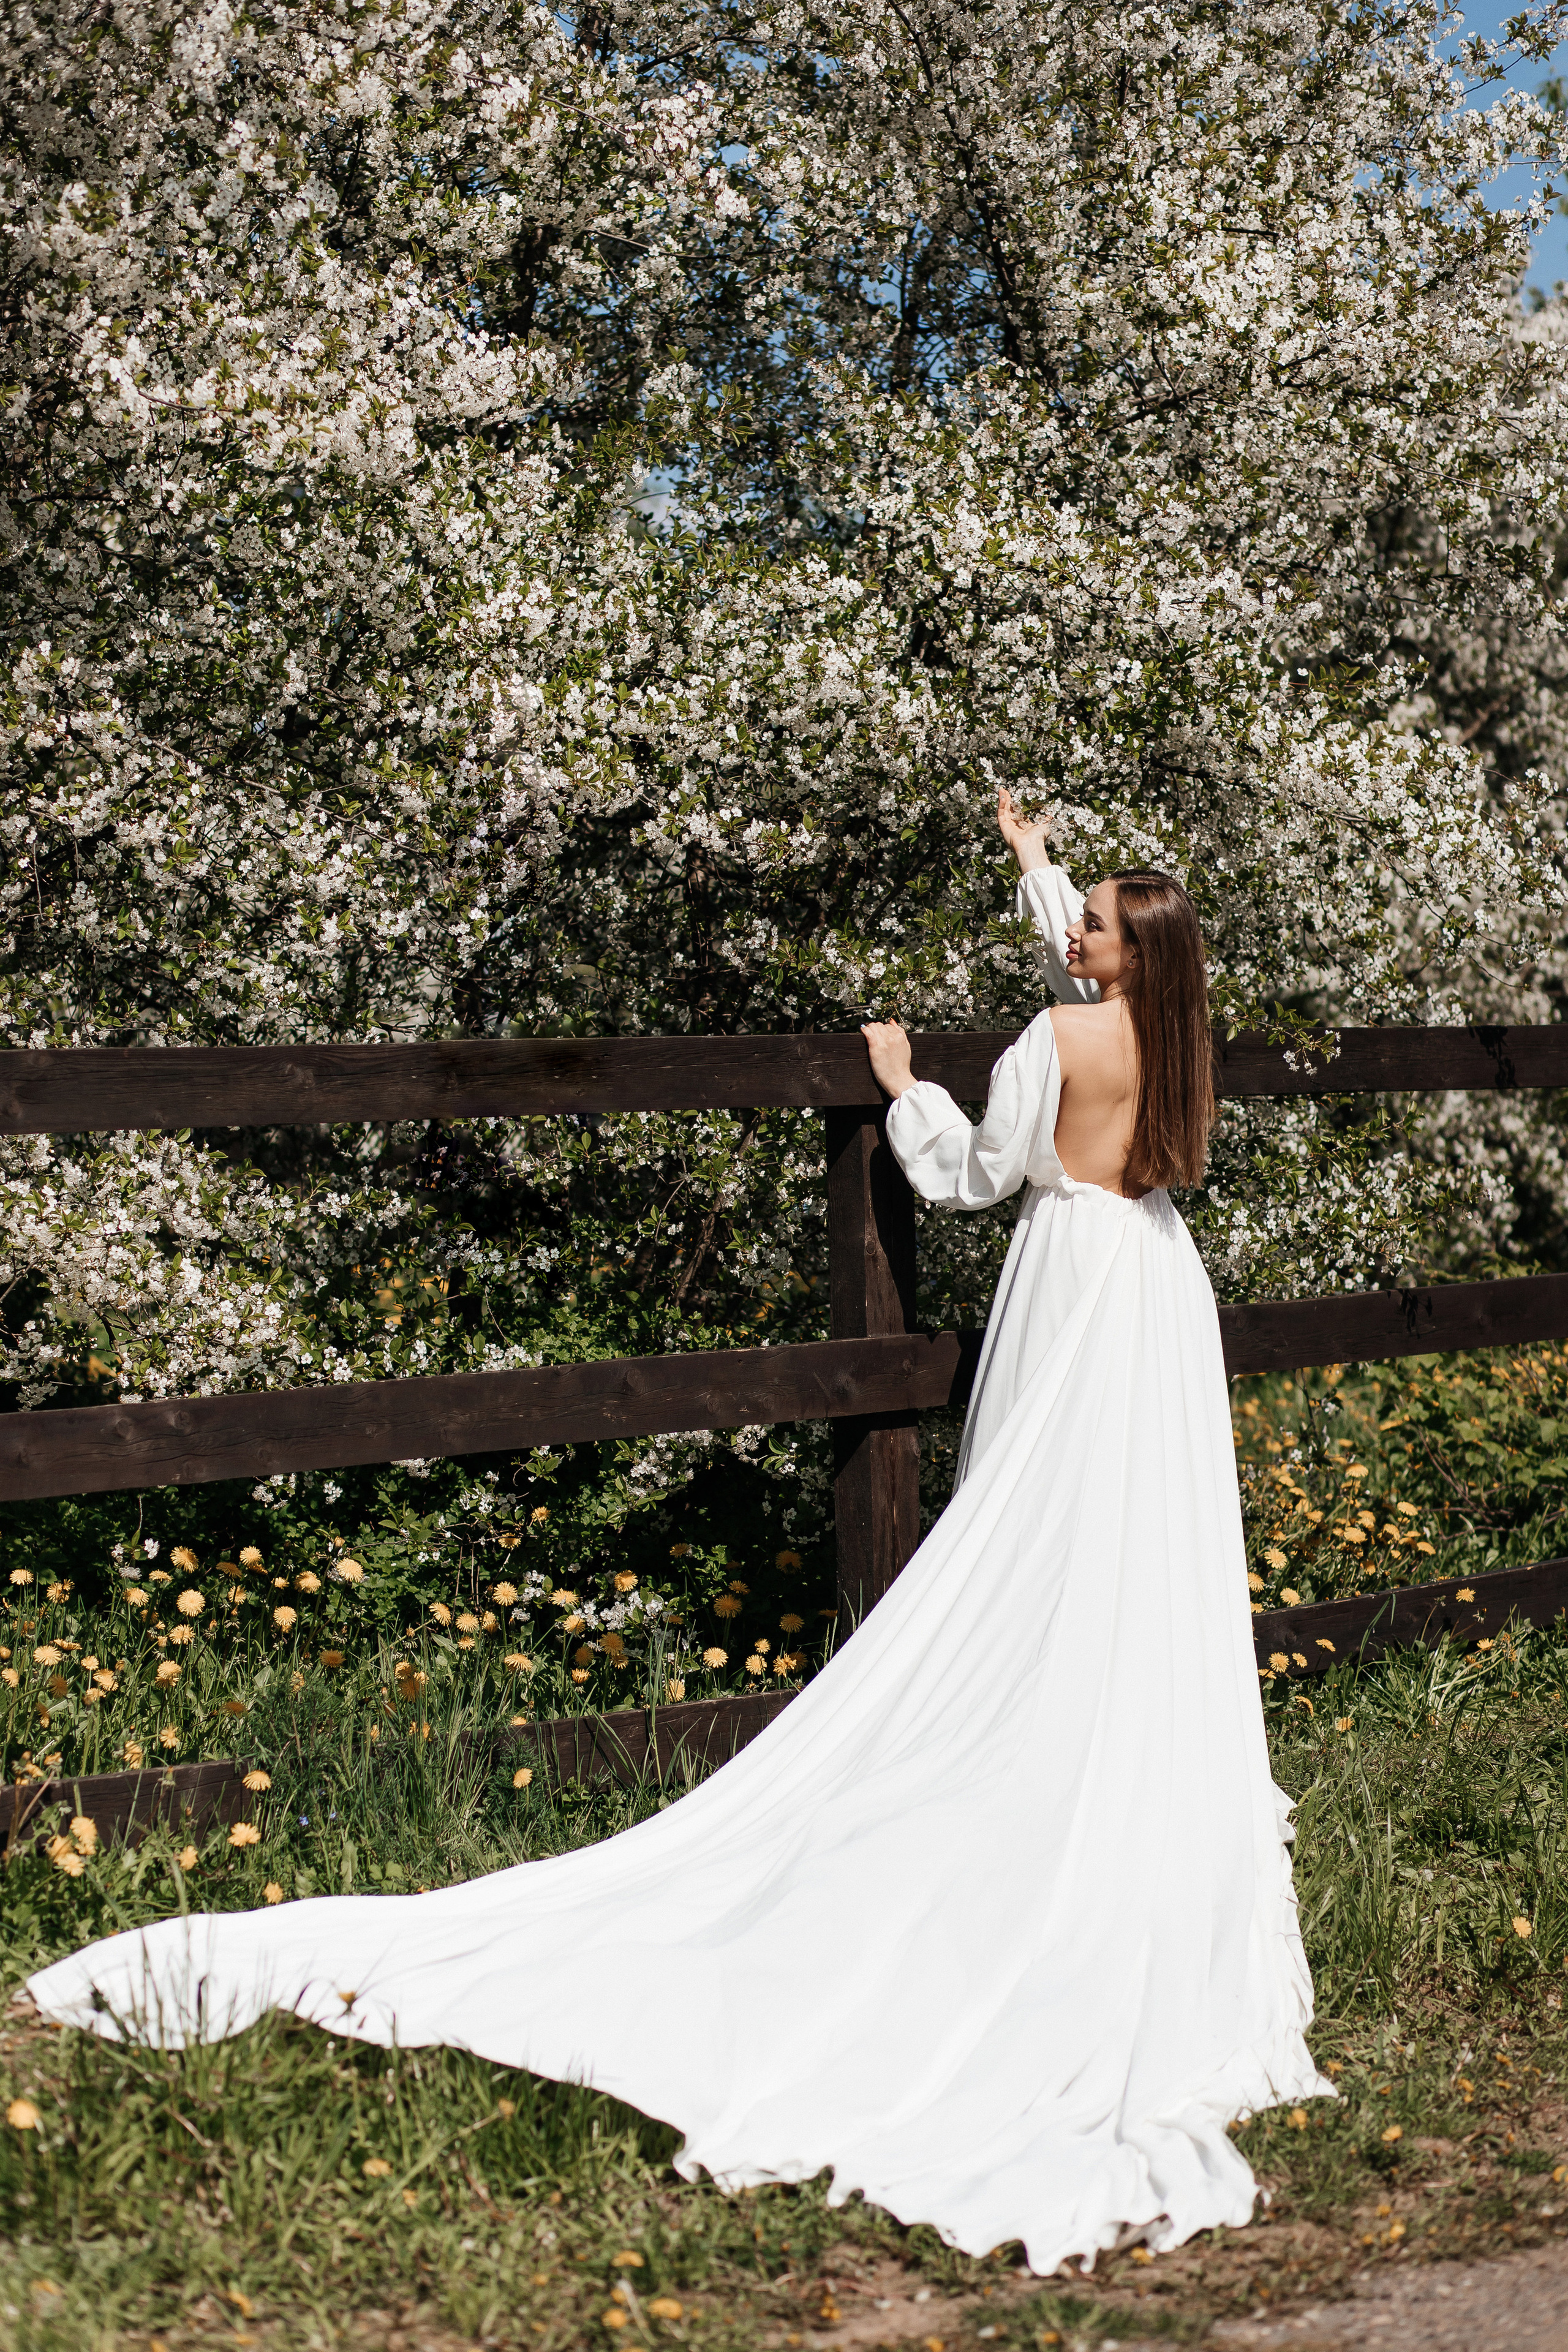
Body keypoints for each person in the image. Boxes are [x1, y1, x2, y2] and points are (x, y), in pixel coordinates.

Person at [28, 793, 1330, 2277]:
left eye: (1089, 924)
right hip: (1150, 1292)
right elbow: (1085, 979)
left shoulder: (1053, 1037)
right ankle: (1104, 1743)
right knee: (1117, 1531)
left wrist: (905, 1088)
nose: (1072, 933)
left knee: (1019, 1533)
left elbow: (972, 1174)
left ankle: (1009, 1746)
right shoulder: (1176, 1043)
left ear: (1121, 956)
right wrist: (1037, 868)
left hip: (1060, 1280)